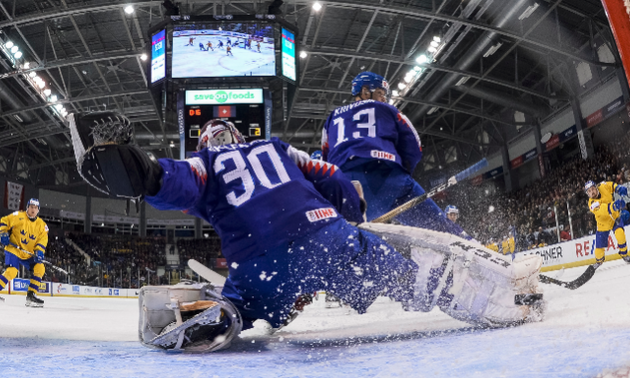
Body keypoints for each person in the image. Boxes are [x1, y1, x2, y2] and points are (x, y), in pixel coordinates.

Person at [69, 112, 544, 352]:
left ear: (204, 143)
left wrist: (137, 167)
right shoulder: (277, 149)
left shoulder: (203, 162)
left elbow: (164, 180)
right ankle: (503, 301)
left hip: (255, 262)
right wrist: (350, 215)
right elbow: (337, 181)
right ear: (239, 136)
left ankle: (225, 310)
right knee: (402, 277)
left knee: (253, 298)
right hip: (325, 236)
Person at [321, 71, 464, 236]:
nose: (383, 98)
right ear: (365, 91)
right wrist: (404, 173)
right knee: (440, 229)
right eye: (380, 93)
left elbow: (325, 159)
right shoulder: (387, 109)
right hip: (387, 177)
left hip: (345, 189)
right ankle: (466, 244)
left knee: (346, 242)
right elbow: (414, 144)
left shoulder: (331, 118)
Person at [0, 198, 48, 307]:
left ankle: (31, 296)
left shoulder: (42, 225)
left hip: (28, 253)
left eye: (35, 208)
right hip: (14, 249)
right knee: (12, 271)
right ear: (27, 207)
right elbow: (4, 221)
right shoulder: (18, 216)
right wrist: (3, 233)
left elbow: (42, 240)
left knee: (40, 268)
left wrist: (39, 252)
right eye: (31, 207)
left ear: (38, 210)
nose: (33, 210)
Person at [585, 180, 630, 265]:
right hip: (603, 225)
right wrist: (614, 206)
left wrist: (619, 188)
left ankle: (624, 254)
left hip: (614, 218)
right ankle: (599, 261)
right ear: (588, 194)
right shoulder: (591, 204)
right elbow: (603, 210)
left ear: (596, 187)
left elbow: (612, 185)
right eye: (589, 191)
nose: (592, 192)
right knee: (599, 248)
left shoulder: (603, 186)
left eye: (593, 189)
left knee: (620, 234)